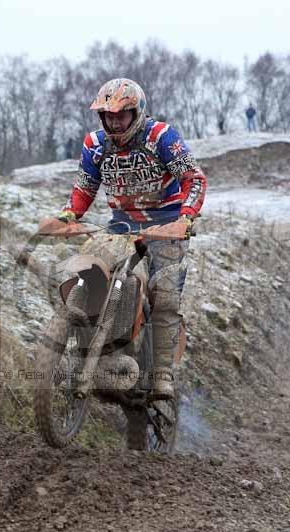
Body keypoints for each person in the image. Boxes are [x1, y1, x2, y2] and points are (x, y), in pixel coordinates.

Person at [56, 78, 207, 398]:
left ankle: (162, 373)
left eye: (121, 115)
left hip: (166, 227)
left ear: (136, 113)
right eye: (108, 116)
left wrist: (186, 217)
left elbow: (193, 179)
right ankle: (81, 344)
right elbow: (85, 187)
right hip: (121, 227)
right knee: (87, 273)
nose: (114, 122)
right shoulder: (94, 145)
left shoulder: (161, 137)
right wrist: (69, 214)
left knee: (164, 296)